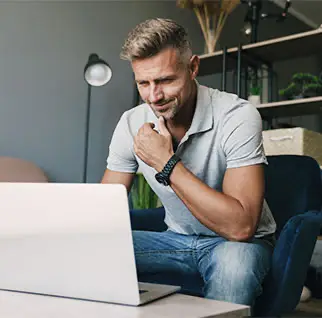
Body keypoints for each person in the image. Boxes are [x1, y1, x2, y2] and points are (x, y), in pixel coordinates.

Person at [101, 18, 276, 307]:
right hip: (176, 241)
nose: (154, 96)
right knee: (90, 248)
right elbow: (104, 210)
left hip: (238, 245)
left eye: (166, 80)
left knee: (234, 267)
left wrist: (166, 163)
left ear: (193, 67)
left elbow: (241, 227)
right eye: (143, 83)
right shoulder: (131, 122)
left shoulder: (237, 115)